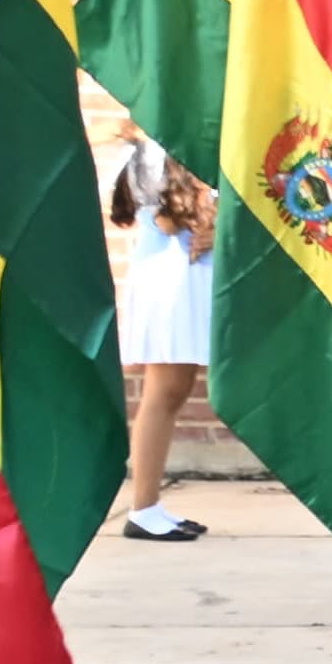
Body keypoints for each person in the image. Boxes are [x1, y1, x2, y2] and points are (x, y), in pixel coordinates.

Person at [110, 141, 216, 544]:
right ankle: (143, 507)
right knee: (165, 390)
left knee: (173, 389)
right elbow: (172, 220)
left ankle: (149, 505)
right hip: (173, 277)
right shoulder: (154, 151)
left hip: (187, 274)